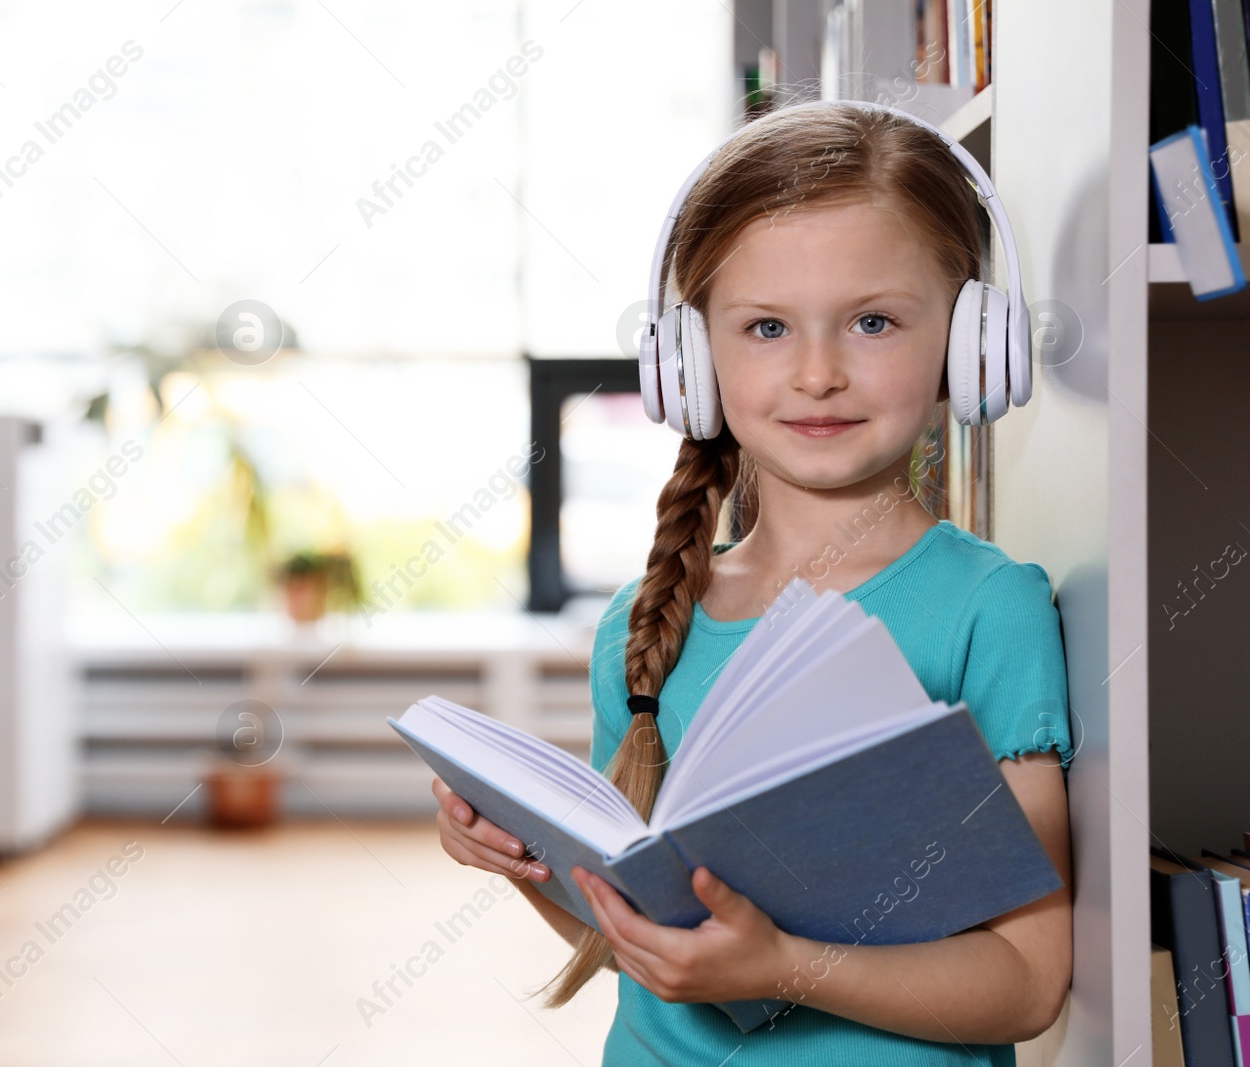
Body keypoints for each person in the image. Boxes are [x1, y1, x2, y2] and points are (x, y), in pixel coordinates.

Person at [432, 99, 1075, 1066]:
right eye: (767, 327)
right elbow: (649, 951)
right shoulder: (644, 626)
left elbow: (1026, 979)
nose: (817, 374)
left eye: (872, 321)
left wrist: (783, 964)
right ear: (689, 363)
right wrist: (523, 862)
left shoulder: (990, 610)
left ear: (972, 341)